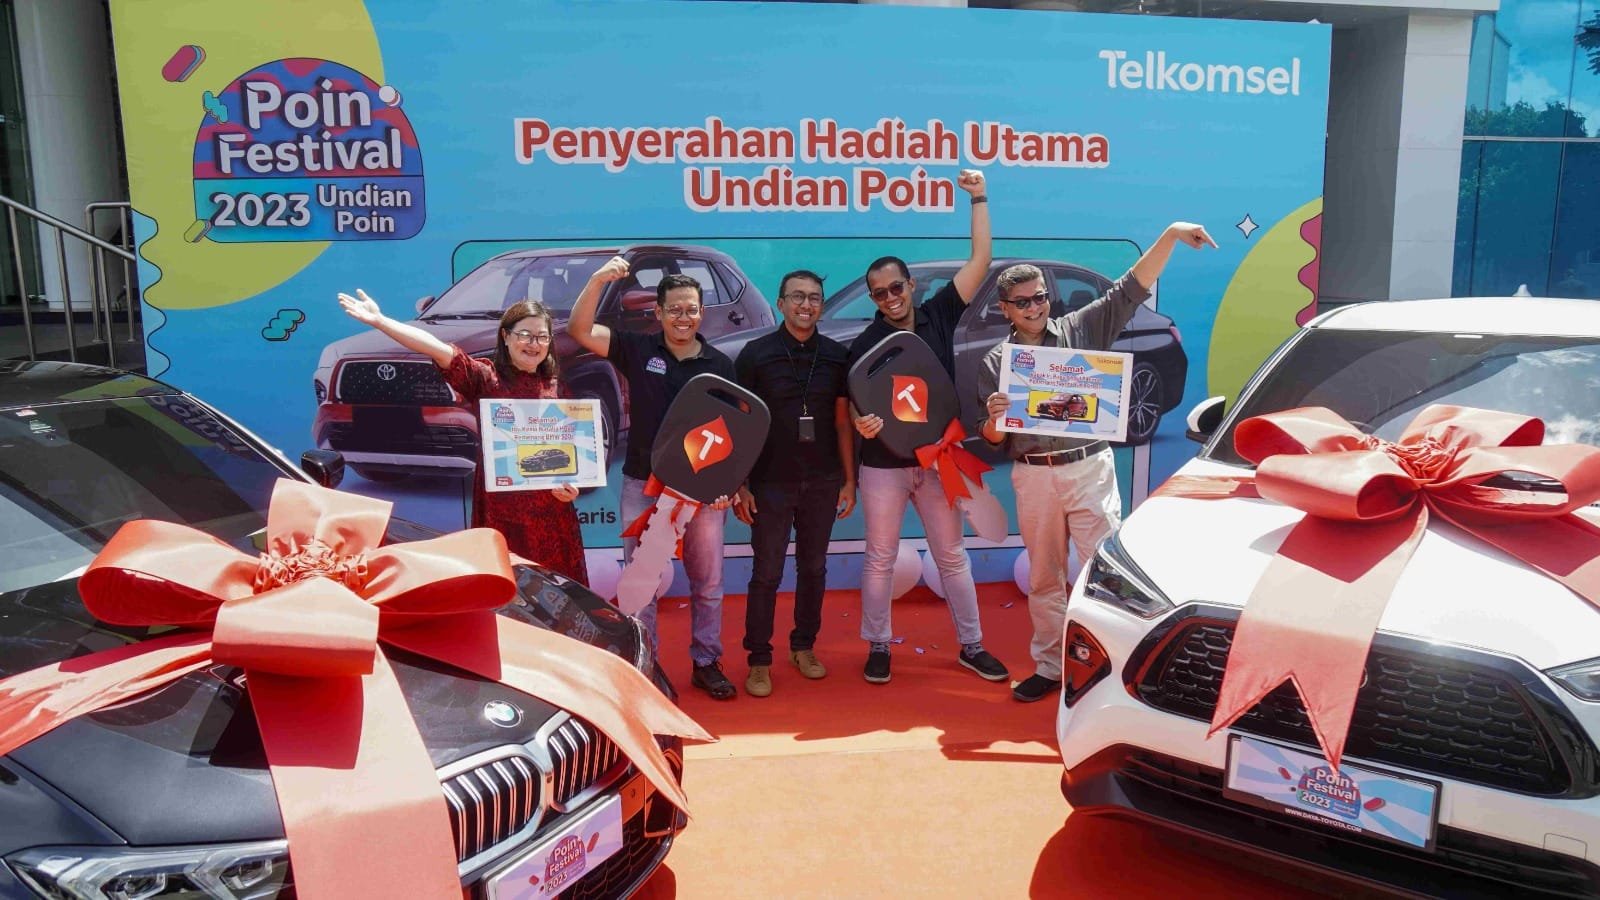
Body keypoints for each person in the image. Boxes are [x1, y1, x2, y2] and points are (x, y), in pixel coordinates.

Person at [976, 222, 1217, 703]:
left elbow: (1131, 288)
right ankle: (1050, 666)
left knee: (1103, 575)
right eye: (1022, 302)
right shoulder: (997, 361)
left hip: (1089, 468)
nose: (1034, 307)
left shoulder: (1080, 329)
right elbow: (992, 437)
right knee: (1044, 578)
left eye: (1040, 297)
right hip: (1035, 474)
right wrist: (996, 419)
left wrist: (1170, 236)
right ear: (1005, 308)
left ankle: (1110, 670)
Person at [847, 168, 1008, 686]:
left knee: (952, 557)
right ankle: (878, 646)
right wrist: (861, 422)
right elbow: (853, 405)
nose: (889, 297)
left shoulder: (939, 313)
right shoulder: (864, 343)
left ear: (911, 286)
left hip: (939, 460)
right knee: (879, 559)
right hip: (884, 468)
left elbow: (981, 260)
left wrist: (979, 198)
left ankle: (972, 646)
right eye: (879, 293)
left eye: (896, 287)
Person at [568, 259, 739, 700]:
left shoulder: (720, 364)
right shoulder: (637, 348)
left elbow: (732, 433)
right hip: (643, 485)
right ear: (658, 312)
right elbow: (580, 330)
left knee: (708, 583)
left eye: (691, 309)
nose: (684, 317)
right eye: (675, 309)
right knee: (642, 583)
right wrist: (597, 280)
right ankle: (646, 670)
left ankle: (706, 662)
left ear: (702, 312)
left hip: (701, 491)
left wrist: (727, 485)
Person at [336, 290, 588, 584]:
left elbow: (569, 454)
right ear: (506, 336)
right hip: (504, 514)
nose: (534, 344)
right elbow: (437, 349)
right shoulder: (486, 379)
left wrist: (572, 486)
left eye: (542, 337)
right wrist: (381, 321)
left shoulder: (557, 388)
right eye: (525, 335)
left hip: (553, 515)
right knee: (507, 588)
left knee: (560, 592)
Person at [732, 270, 855, 698]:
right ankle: (759, 659)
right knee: (766, 573)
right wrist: (741, 484)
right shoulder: (754, 354)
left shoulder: (837, 356)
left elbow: (843, 423)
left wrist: (849, 481)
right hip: (770, 483)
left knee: (814, 569)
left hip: (823, 480)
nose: (806, 305)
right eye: (797, 297)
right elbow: (739, 423)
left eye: (814, 297)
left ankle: (804, 647)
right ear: (780, 303)